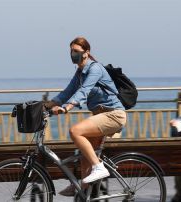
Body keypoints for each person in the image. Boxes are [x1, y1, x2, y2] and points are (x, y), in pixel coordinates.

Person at [45, 37, 126, 194]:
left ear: (86, 53)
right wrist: (46, 105)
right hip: (101, 115)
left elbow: (84, 91)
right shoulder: (80, 72)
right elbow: (68, 91)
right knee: (85, 154)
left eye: (76, 51)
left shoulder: (95, 69)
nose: (72, 54)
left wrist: (67, 107)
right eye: (71, 51)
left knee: (75, 131)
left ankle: (98, 168)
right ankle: (82, 187)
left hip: (113, 115)